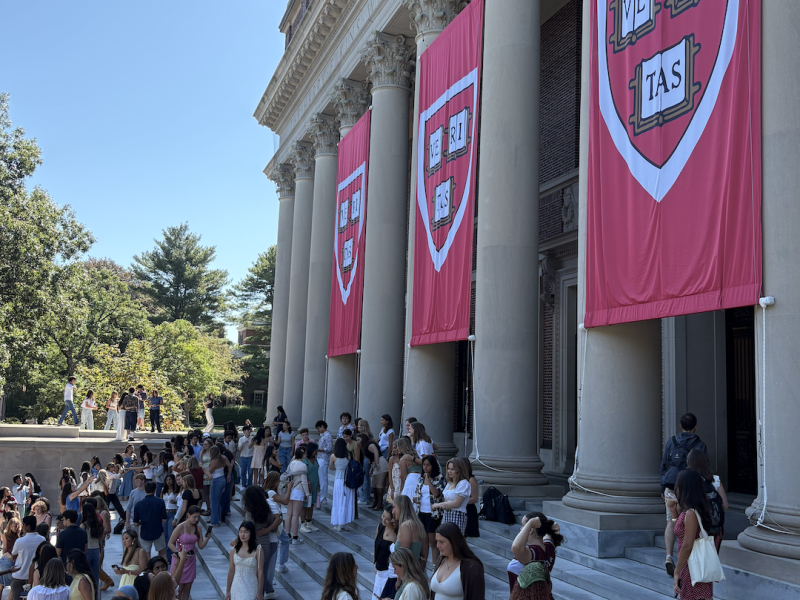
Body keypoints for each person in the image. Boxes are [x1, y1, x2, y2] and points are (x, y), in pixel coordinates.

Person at [660, 413, 708, 576]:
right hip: (689, 488)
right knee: (688, 521)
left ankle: (668, 556)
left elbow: (664, 464)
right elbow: (703, 469)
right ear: (695, 426)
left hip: (672, 486)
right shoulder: (699, 445)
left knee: (671, 521)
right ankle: (684, 557)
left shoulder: (671, 442)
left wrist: (662, 488)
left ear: (681, 426)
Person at [672, 469, 715, 600]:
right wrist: (673, 511)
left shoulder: (691, 513)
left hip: (691, 565)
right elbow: (680, 532)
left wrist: (677, 570)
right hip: (691, 564)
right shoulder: (691, 511)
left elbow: (687, 545)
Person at [507, 512, 563, 596]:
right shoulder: (549, 547)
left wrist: (530, 523)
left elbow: (516, 547)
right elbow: (548, 534)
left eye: (523, 526)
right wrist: (548, 527)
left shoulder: (531, 554)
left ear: (531, 530)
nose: (521, 529)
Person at [687, 449, 728, 552]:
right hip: (715, 529)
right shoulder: (715, 480)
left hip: (696, 527)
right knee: (712, 558)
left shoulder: (689, 480)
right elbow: (725, 505)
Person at [430, 522, 484, 600]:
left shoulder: (472, 567)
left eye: (441, 542)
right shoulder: (441, 560)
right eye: (437, 541)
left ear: (453, 541)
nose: (438, 546)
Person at [167, 506, 210, 600]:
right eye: (194, 517)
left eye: (198, 517)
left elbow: (201, 546)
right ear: (188, 515)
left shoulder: (198, 528)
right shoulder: (180, 527)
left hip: (191, 560)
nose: (197, 519)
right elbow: (170, 543)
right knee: (179, 588)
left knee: (188, 588)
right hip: (180, 559)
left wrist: (207, 538)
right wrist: (178, 553)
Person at [414, 455, 445, 563]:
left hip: (433, 513)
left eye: (428, 465)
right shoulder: (421, 478)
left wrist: (429, 482)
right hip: (421, 512)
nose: (425, 467)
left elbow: (437, 494)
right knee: (424, 540)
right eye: (424, 465)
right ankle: (423, 563)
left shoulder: (439, 478)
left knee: (433, 541)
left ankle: (435, 565)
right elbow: (418, 493)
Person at [225, 521, 263, 600]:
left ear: (251, 533)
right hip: (236, 585)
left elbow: (260, 572)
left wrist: (259, 592)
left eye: (246, 532)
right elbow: (231, 571)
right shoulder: (234, 550)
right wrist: (228, 591)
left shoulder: (258, 550)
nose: (242, 535)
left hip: (251, 585)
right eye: (241, 532)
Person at [9, 515, 45, 600]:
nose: (22, 527)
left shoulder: (19, 541)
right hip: (35, 577)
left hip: (19, 575)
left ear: (28, 527)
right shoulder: (42, 539)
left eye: (23, 525)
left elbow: (13, 556)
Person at [431, 459, 471, 535]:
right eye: (448, 469)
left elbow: (456, 503)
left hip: (457, 514)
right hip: (447, 514)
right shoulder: (450, 483)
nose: (449, 471)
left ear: (459, 470)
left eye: (452, 469)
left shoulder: (463, 483)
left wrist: (438, 505)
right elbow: (447, 500)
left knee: (454, 541)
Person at [263, 472, 291, 579]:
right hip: (274, 523)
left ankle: (281, 564)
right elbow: (285, 501)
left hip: (273, 523)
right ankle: (279, 566)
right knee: (274, 550)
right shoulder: (270, 493)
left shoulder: (267, 491)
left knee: (285, 539)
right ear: (274, 481)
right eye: (278, 480)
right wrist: (289, 488)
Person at [133, 482, 168, 558]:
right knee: (162, 553)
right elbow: (164, 519)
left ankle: (148, 569)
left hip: (145, 531)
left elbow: (135, 523)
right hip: (158, 530)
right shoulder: (160, 502)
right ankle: (163, 569)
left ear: (145, 490)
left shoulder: (138, 504)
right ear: (155, 490)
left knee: (146, 555)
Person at [202, 446, 231, 532]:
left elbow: (209, 472)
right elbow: (230, 466)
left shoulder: (214, 461)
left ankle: (214, 522)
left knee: (214, 502)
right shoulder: (223, 458)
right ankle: (218, 519)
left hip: (216, 481)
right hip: (222, 479)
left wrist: (202, 468)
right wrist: (229, 475)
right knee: (218, 501)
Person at [393, 495, 428, 565]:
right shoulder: (419, 524)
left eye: (394, 507)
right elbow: (424, 557)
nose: (392, 511)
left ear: (401, 507)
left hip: (408, 573)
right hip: (417, 571)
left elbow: (404, 557)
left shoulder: (406, 526)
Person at [285, 447, 310, 543]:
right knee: (296, 515)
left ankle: (287, 535)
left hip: (290, 489)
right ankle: (295, 537)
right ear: (303, 454)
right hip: (298, 490)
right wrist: (307, 493)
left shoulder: (291, 463)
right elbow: (304, 481)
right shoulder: (303, 465)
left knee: (289, 514)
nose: (306, 455)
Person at [373, 505, 398, 599]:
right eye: (383, 516)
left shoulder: (397, 533)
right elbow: (376, 545)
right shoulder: (380, 527)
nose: (383, 520)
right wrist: (375, 563)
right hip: (379, 567)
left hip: (389, 570)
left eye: (387, 519)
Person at [330, 439, 355, 532]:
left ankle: (339, 524)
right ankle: (346, 523)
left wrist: (337, 468)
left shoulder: (333, 456)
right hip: (347, 479)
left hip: (338, 479)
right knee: (347, 501)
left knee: (338, 501)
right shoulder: (349, 455)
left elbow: (330, 467)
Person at [79, 503, 103, 584]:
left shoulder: (83, 525)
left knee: (85, 575)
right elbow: (101, 538)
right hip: (96, 550)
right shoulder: (98, 522)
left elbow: (81, 539)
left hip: (87, 550)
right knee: (95, 575)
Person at [456, 458, 480, 539]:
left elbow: (475, 498)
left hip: (468, 510)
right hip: (457, 510)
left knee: (462, 538)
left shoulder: (471, 479)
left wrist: (460, 501)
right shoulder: (457, 479)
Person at [300, 443, 320, 532]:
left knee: (311, 504)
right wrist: (308, 483)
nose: (317, 451)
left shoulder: (315, 459)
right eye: (315, 450)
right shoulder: (305, 461)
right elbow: (303, 473)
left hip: (315, 483)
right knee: (305, 505)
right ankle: (302, 524)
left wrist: (318, 484)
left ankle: (309, 522)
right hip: (307, 485)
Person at [160, 475, 179, 563]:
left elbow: (179, 502)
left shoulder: (176, 490)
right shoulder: (163, 490)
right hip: (164, 513)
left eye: (170, 479)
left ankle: (171, 557)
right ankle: (166, 557)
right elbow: (160, 502)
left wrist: (174, 502)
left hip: (173, 512)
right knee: (165, 535)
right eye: (167, 480)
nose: (168, 481)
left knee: (171, 535)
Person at [316, 420, 333, 505]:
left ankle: (323, 497)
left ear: (322, 426)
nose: (318, 430)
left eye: (319, 428)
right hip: (320, 458)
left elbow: (329, 449)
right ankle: (321, 496)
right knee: (320, 479)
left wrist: (318, 449)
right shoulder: (323, 436)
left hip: (324, 458)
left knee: (323, 479)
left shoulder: (328, 435)